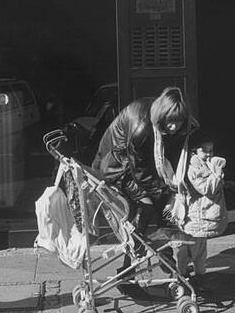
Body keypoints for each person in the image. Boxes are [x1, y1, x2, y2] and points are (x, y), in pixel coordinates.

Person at [91, 86, 196, 295]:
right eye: (170, 121)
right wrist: (163, 192)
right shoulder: (142, 128)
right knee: (149, 206)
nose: (174, 127)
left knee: (164, 208)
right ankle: (138, 258)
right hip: (116, 167)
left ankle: (163, 257)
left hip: (134, 164)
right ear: (161, 116)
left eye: (179, 121)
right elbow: (138, 170)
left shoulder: (159, 117)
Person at [171, 130, 228, 291]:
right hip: (196, 215)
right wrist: (217, 174)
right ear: (194, 150)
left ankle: (199, 275)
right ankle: (183, 276)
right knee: (189, 248)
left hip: (202, 215)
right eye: (205, 150)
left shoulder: (205, 164)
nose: (209, 154)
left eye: (211, 150)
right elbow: (206, 188)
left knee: (200, 248)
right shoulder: (193, 168)